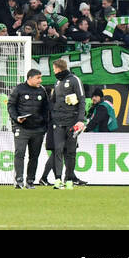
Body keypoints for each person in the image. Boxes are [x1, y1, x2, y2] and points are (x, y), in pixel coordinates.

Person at [48, 57, 86, 189]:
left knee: (71, 151)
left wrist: (80, 120)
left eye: (54, 69)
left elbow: (82, 100)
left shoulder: (74, 80)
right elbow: (53, 101)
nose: (54, 72)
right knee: (57, 149)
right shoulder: (57, 83)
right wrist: (53, 115)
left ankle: (69, 179)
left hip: (72, 121)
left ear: (58, 68)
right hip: (58, 122)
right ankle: (58, 179)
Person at [9, 68, 49, 188]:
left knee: (34, 156)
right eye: (38, 78)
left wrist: (45, 125)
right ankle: (19, 180)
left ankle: (30, 180)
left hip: (38, 129)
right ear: (30, 78)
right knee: (20, 153)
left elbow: (46, 109)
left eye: (40, 78)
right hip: (22, 128)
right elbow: (11, 105)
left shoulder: (42, 90)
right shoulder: (19, 89)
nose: (40, 80)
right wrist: (16, 118)